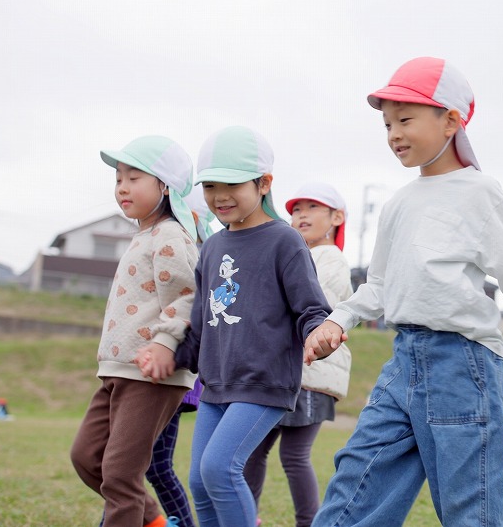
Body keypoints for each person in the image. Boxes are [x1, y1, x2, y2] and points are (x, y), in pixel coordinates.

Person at [304, 57, 503, 527]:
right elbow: (378, 284)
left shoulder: (480, 193)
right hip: (404, 361)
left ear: (452, 121)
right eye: (387, 123)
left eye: (406, 119)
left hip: (464, 365)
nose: (394, 133)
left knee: (471, 505)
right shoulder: (398, 204)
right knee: (358, 479)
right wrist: (339, 319)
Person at [137, 126, 335, 527]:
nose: (219, 196)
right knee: (199, 481)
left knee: (220, 470)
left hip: (264, 381)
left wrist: (319, 331)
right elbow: (199, 323)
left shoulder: (285, 241)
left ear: (264, 183)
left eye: (231, 184)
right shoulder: (211, 247)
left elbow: (311, 308)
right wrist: (171, 356)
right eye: (210, 185)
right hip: (216, 383)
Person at [71, 135, 200, 527]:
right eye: (118, 178)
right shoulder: (143, 235)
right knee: (87, 457)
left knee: (121, 474)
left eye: (134, 177)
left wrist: (164, 343)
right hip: (116, 369)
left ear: (165, 186)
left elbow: (187, 297)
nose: (122, 187)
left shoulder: (172, 236)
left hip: (149, 374)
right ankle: (157, 523)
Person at [244, 182, 354, 527]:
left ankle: (309, 522)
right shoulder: (295, 253)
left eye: (311, 207)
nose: (300, 215)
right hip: (285, 372)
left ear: (336, 217)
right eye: (295, 209)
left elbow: (315, 305)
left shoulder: (331, 258)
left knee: (293, 455)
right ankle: (246, 516)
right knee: (254, 451)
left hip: (311, 373)